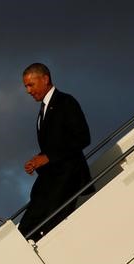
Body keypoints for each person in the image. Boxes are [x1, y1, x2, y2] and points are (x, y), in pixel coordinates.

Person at [18, 63, 93, 242]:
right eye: (26, 86)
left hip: (67, 179)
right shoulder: (44, 108)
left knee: (47, 227)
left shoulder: (65, 102)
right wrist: (37, 160)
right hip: (51, 179)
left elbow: (83, 138)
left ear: (45, 79)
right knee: (27, 224)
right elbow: (55, 143)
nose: (28, 91)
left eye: (31, 85)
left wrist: (48, 157)